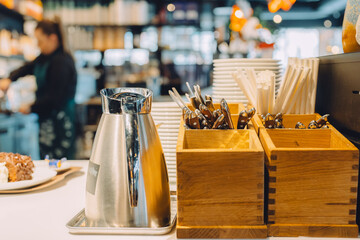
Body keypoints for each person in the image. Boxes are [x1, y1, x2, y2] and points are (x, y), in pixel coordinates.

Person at [0, 18, 77, 159]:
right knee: (48, 162)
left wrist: (31, 107)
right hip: (47, 120)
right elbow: (28, 67)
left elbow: (54, 98)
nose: (38, 45)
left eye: (40, 41)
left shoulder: (61, 62)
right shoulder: (45, 57)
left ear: (52, 38)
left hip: (61, 123)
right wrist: (9, 79)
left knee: (62, 164)